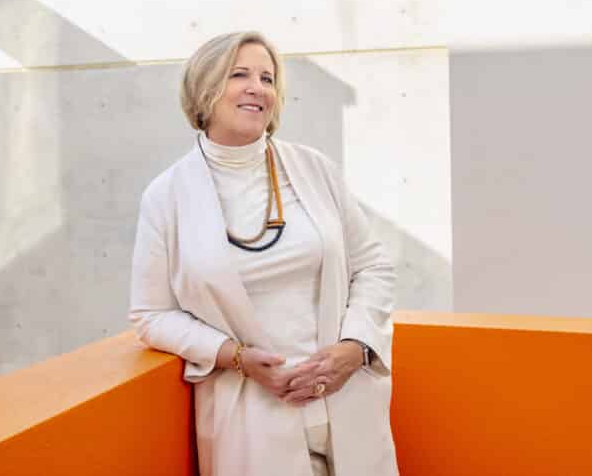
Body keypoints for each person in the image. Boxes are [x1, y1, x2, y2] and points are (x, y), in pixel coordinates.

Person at [129, 31, 398, 476]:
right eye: (240, 74)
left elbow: (372, 265)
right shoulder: (165, 196)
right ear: (204, 88)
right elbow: (150, 314)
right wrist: (237, 358)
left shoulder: (315, 169)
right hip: (252, 412)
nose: (258, 87)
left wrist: (355, 347)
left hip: (345, 398)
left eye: (267, 78)